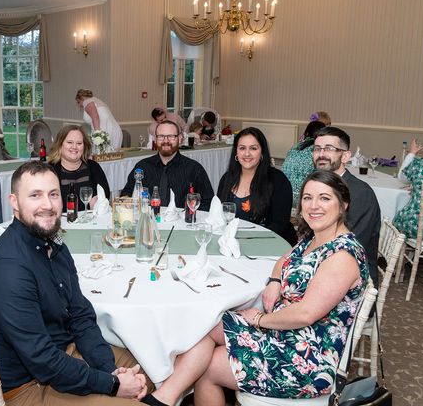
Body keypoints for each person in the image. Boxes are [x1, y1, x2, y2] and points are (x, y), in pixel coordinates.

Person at [143, 171, 369, 406]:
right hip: (282, 332)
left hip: (306, 357)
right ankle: (165, 397)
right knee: (204, 324)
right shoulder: (316, 238)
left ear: (343, 205)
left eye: (324, 198)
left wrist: (259, 319)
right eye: (307, 198)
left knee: (206, 367)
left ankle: (162, 398)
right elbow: (285, 260)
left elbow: (305, 314)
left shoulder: (342, 255)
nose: (313, 206)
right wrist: (274, 282)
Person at [0, 161, 152, 404]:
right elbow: (43, 361)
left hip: (65, 354)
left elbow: (80, 315)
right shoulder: (8, 267)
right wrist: (112, 385)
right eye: (35, 195)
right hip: (31, 386)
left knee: (150, 373)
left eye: (53, 194)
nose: (47, 205)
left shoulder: (54, 245)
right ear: (14, 202)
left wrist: (110, 371)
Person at [313, 126, 381, 285]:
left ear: (345, 156)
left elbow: (351, 247)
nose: (321, 154)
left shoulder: (360, 193)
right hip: (321, 260)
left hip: (350, 275)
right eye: (317, 149)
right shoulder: (316, 185)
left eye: (329, 149)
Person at [217, 127, 297, 245]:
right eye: (242, 148)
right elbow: (219, 216)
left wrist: (249, 241)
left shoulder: (278, 180)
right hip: (232, 243)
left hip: (270, 244)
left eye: (253, 148)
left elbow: (280, 224)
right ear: (236, 152)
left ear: (262, 152)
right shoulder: (227, 179)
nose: (247, 153)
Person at [121, 120, 214, 211]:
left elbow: (208, 201)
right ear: (155, 139)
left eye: (171, 136)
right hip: (148, 222)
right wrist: (126, 200)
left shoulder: (194, 169)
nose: (166, 141)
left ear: (180, 138)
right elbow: (127, 192)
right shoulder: (142, 166)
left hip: (181, 224)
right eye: (161, 136)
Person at [393, 133, 423, 286]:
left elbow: (402, 177)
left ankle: (401, 268)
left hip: (416, 224)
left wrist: (412, 153)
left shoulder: (422, 165)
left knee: (398, 223)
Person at [49, 124, 110, 212]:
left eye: (79, 143)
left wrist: (99, 201)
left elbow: (105, 194)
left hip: (89, 221)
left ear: (84, 146)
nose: (74, 147)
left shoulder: (93, 167)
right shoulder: (50, 170)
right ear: (60, 144)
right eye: (70, 142)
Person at [282, 120, 326, 203]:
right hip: (301, 197)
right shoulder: (317, 150)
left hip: (284, 193)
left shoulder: (295, 147)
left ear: (306, 133)